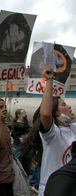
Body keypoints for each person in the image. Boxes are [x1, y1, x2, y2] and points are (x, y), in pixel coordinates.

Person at [38, 68, 76, 196]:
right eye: (64, 105)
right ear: (55, 112)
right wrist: (49, 81)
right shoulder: (52, 134)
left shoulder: (73, 128)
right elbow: (45, 114)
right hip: (53, 189)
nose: (69, 107)